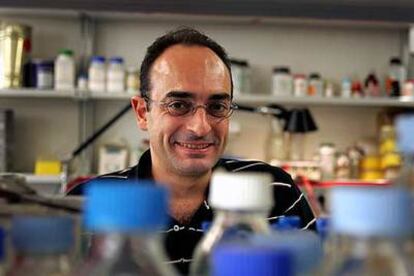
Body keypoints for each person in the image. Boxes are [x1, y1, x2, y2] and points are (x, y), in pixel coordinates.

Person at [68, 27, 315, 274]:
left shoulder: (275, 191)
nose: (200, 127)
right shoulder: (86, 205)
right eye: (178, 105)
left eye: (217, 106)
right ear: (143, 113)